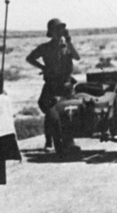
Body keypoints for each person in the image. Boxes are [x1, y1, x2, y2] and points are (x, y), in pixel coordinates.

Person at [26, 19, 81, 152]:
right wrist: (43, 68)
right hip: (51, 84)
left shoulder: (66, 46)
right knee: (50, 111)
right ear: (51, 32)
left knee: (68, 112)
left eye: (61, 29)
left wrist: (69, 41)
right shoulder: (45, 48)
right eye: (56, 29)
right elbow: (30, 58)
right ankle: (50, 140)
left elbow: (77, 57)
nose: (59, 32)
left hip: (66, 84)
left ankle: (68, 140)